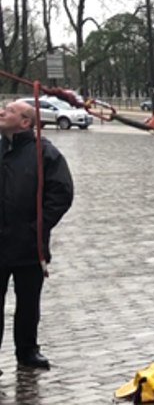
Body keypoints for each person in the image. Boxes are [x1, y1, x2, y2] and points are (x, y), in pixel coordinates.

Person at [0, 100, 74, 370]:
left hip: (28, 244)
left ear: (25, 122)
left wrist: (37, 227)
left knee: (28, 301)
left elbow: (61, 193)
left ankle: (27, 351)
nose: (1, 112)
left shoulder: (44, 153)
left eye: (8, 111)